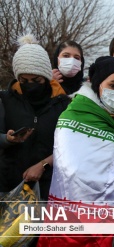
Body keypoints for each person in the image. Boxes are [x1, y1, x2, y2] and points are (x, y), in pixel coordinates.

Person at [37, 56, 114, 246]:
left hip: (108, 218)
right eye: (113, 85)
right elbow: (74, 173)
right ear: (97, 84)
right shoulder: (73, 116)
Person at [0, 34, 70, 200]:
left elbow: (68, 147)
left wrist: (43, 165)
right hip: (9, 186)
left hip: (49, 188)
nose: (30, 85)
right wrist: (7, 139)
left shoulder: (63, 105)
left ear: (46, 77)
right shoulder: (5, 100)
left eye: (36, 80)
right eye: (24, 80)